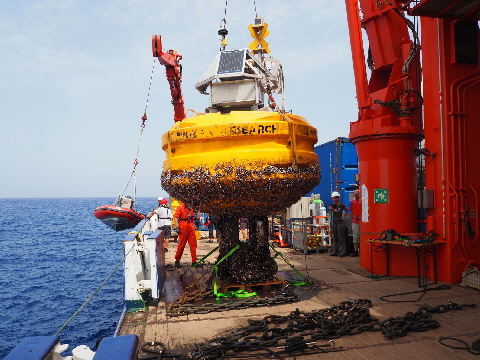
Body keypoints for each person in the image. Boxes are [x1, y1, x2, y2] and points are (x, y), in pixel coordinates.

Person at [173, 201, 197, 268]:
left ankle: (194, 261)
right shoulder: (180, 207)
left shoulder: (191, 207)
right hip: (183, 225)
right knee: (182, 244)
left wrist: (193, 225)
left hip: (190, 225)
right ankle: (177, 260)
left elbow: (192, 217)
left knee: (193, 244)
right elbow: (175, 217)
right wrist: (177, 227)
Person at [329, 191, 349, 257]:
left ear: (338, 198)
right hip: (334, 222)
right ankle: (335, 251)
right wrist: (331, 210)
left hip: (340, 222)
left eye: (335, 198)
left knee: (341, 237)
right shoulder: (332, 206)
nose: (334, 200)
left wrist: (343, 215)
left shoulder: (341, 205)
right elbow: (330, 213)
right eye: (333, 198)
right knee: (335, 237)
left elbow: (347, 210)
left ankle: (342, 252)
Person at [350, 189, 361, 257]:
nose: (356, 195)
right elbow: (352, 212)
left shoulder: (362, 201)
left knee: (359, 236)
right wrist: (352, 221)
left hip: (361, 221)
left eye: (357, 193)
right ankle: (355, 250)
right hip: (356, 221)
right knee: (355, 236)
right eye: (355, 193)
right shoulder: (353, 202)